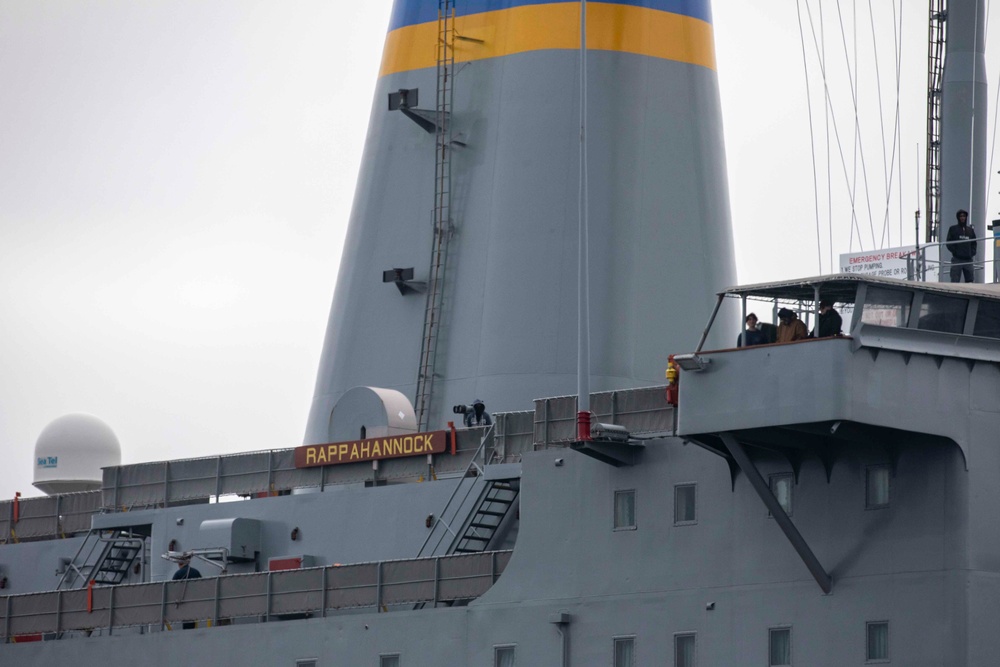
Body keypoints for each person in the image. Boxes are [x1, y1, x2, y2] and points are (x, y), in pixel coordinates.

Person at [946, 209, 977, 283]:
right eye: (961, 216)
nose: (962, 218)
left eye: (964, 216)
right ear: (958, 217)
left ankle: (969, 294)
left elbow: (974, 243)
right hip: (957, 259)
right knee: (955, 280)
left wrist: (972, 253)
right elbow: (949, 242)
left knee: (970, 281)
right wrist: (955, 252)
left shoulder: (970, 230)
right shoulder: (953, 229)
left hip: (968, 259)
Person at [172, 556, 202, 629]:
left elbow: (172, 588)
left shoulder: (178, 574)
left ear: (179, 563)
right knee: (192, 620)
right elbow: (202, 585)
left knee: (186, 621)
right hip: (195, 601)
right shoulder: (196, 572)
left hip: (183, 602)